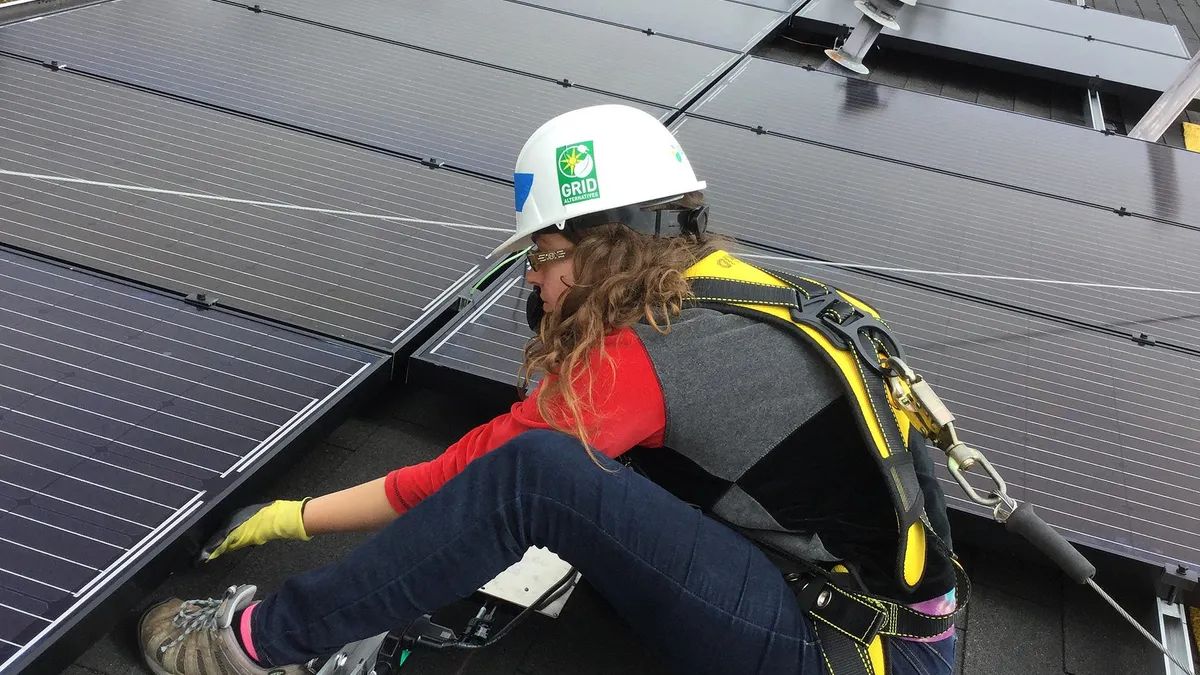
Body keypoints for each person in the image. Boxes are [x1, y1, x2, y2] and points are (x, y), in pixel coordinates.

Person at [138, 104, 962, 675]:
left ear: (597, 248)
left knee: (540, 472)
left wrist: (292, 514)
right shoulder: (755, 292)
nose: (534, 280)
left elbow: (468, 475)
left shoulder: (649, 352)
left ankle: (251, 646)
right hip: (897, 617)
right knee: (594, 468)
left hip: (846, 649)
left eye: (542, 255)